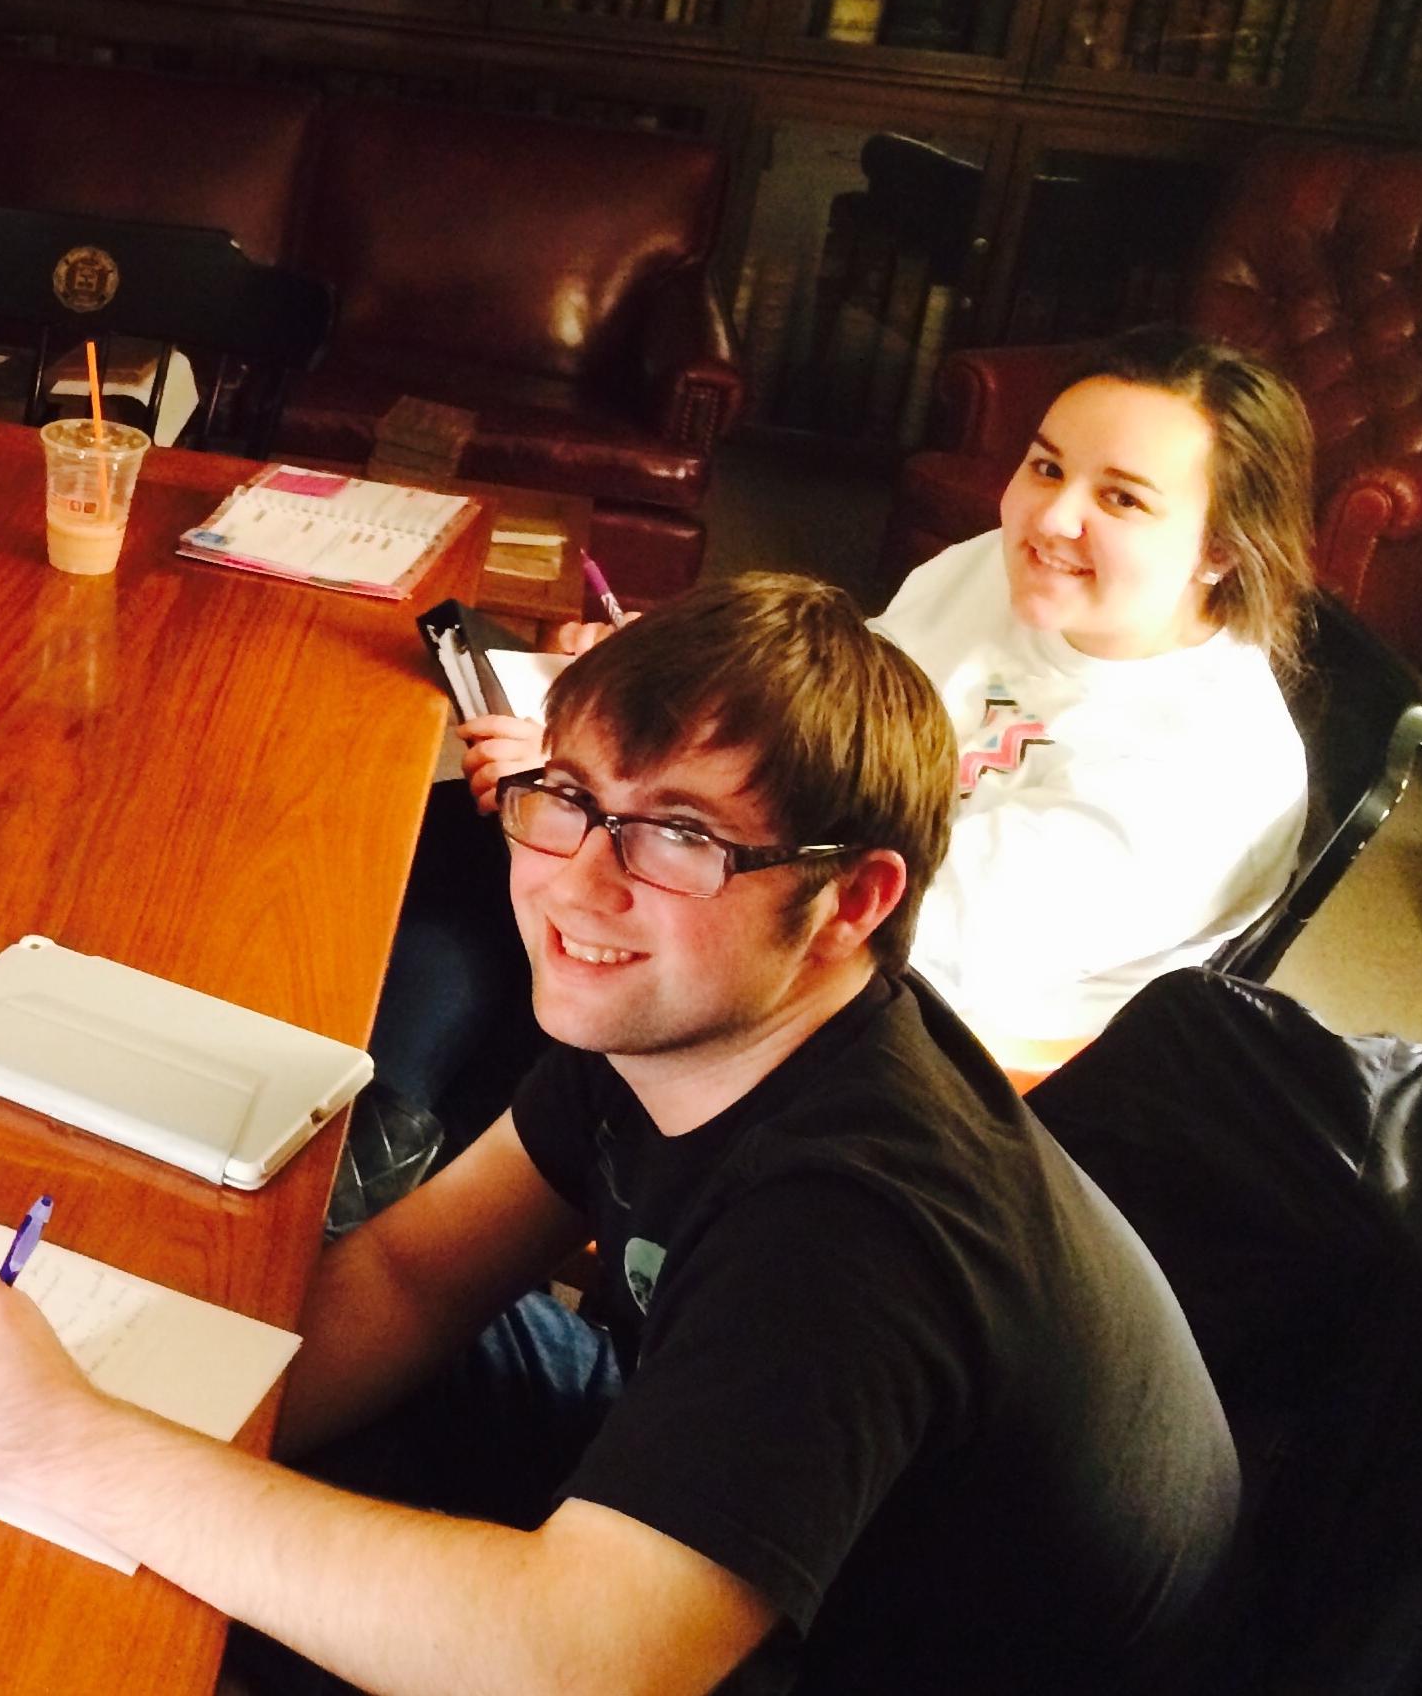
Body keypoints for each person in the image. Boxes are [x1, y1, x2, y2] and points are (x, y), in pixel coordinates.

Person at [0, 575, 1238, 1696]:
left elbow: (577, 1661)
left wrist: (65, 1448)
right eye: (571, 798)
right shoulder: (685, 1014)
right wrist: (135, 1416)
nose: (577, 881)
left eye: (678, 838)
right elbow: (420, 1275)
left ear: (847, 901)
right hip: (729, 1509)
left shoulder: (849, 1233)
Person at [411, 326, 1310, 1130]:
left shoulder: (1205, 777)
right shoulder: (990, 575)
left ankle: (403, 1150)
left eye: (1121, 500)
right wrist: (638, 695)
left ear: (1221, 549)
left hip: (886, 1029)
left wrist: (601, 797)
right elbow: (818, 711)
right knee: (445, 846)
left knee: (516, 883)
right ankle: (390, 1123)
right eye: (1045, 467)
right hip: (781, 883)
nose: (1050, 518)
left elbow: (877, 937)